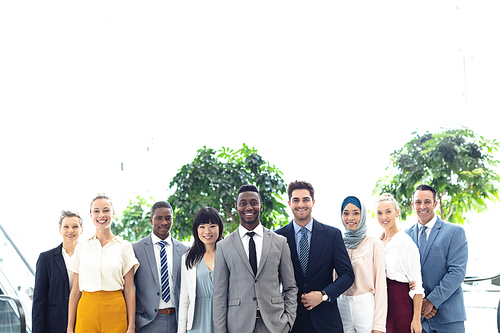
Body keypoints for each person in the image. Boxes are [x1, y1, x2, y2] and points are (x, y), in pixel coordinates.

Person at [213, 184, 298, 333]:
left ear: (261, 206)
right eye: (243, 203)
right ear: (236, 207)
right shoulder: (223, 246)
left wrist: (288, 321)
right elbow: (219, 295)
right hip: (238, 325)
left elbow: (290, 287)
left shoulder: (280, 242)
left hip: (275, 325)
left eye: (253, 202)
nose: (249, 207)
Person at [276, 181, 354, 333]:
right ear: (289, 203)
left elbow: (347, 275)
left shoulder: (332, 235)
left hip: (326, 322)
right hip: (291, 322)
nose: (301, 204)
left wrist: (323, 295)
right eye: (296, 200)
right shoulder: (278, 237)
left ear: (313, 202)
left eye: (305, 199)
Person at [67, 194, 139, 333]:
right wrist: (70, 327)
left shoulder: (124, 246)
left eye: (106, 210)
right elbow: (75, 291)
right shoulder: (82, 247)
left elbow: (129, 290)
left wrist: (131, 326)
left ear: (113, 213)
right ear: (90, 214)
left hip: (115, 311)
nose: (101, 215)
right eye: (96, 211)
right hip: (86, 311)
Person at [405, 184, 468, 333]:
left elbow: (457, 272)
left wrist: (432, 301)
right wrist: (419, 305)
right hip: (417, 319)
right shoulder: (405, 236)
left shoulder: (455, 232)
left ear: (435, 204)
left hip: (448, 317)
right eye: (418, 202)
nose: (422, 206)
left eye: (427, 201)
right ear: (413, 205)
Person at [133, 201, 189, 333]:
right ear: (151, 220)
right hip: (147, 322)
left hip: (177, 321)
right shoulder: (136, 249)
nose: (164, 222)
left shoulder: (184, 250)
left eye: (168, 218)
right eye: (159, 218)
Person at [338, 196, 387, 333]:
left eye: (356, 213)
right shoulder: (338, 244)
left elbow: (381, 286)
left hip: (365, 305)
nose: (350, 218)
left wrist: (379, 326)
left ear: (363, 215)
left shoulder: (374, 243)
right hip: (342, 305)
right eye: (346, 213)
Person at [376, 193, 424, 333]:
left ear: (397, 212)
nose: (384, 217)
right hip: (381, 306)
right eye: (380, 213)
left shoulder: (405, 243)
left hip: (400, 305)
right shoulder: (377, 241)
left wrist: (416, 320)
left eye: (388, 212)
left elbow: (417, 286)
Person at [32, 210, 83, 333]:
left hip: (83, 321)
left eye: (75, 226)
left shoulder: (88, 256)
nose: (70, 230)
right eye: (66, 227)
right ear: (60, 230)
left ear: (81, 230)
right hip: (55, 325)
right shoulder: (46, 258)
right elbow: (39, 300)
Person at [178, 207, 224, 333]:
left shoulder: (228, 253)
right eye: (202, 226)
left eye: (212, 226)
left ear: (219, 228)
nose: (207, 231)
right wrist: (181, 330)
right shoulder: (188, 258)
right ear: (196, 230)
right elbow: (184, 298)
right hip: (196, 321)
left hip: (222, 319)